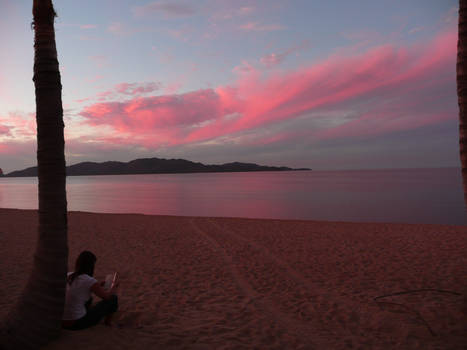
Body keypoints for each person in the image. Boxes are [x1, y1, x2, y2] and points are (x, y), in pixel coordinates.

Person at [62, 251, 119, 330]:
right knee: (113, 299)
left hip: (62, 321)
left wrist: (98, 285)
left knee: (89, 299)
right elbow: (107, 297)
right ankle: (108, 323)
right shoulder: (89, 281)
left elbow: (80, 287)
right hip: (76, 323)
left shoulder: (69, 275)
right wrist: (114, 287)